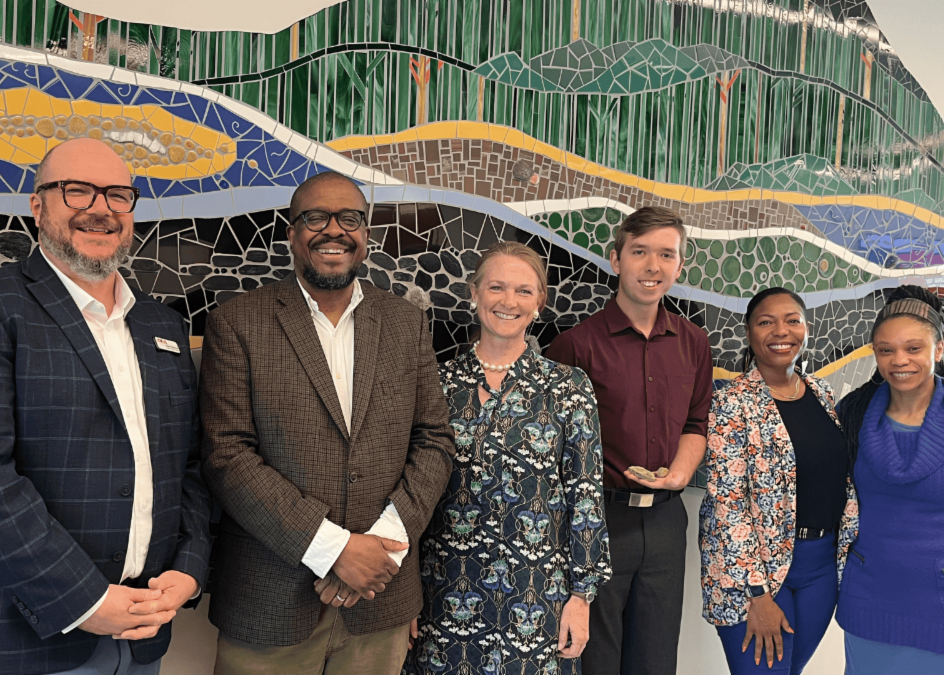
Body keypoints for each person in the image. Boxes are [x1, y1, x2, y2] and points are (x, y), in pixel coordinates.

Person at [0, 137, 211, 675]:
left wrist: (189, 569)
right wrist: (85, 599)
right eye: (77, 191)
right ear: (37, 204)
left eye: (118, 195)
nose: (101, 208)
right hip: (14, 641)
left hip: (142, 635)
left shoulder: (161, 326)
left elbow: (187, 464)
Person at [199, 170, 455, 674]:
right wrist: (335, 550)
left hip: (381, 599)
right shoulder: (237, 322)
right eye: (315, 217)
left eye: (350, 219)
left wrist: (379, 549)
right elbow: (226, 456)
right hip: (270, 601)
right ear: (292, 233)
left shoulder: (405, 323)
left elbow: (435, 441)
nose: (333, 230)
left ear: (366, 237)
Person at [404, 241, 611, 675]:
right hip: (441, 594)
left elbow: (586, 498)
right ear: (474, 293)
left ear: (540, 302)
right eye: (496, 287)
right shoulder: (436, 384)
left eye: (523, 291)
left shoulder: (568, 387)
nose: (508, 301)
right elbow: (409, 495)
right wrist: (403, 599)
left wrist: (581, 598)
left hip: (536, 601)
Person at [545, 205, 712, 675]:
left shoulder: (695, 342)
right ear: (616, 259)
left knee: (656, 660)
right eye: (639, 252)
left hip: (665, 524)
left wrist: (680, 473)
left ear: (680, 266)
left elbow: (696, 423)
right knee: (594, 660)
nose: (652, 266)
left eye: (666, 254)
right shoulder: (575, 345)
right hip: (597, 521)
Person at [699, 287, 858, 674]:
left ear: (806, 328)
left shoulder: (820, 392)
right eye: (766, 322)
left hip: (821, 566)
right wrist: (757, 594)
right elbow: (728, 504)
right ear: (750, 333)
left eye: (792, 321)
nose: (780, 331)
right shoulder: (731, 401)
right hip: (754, 576)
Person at [834, 285, 944, 673]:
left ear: (938, 349)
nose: (899, 360)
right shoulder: (852, 412)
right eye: (886, 350)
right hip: (870, 601)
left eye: (913, 348)